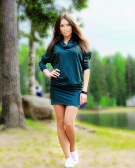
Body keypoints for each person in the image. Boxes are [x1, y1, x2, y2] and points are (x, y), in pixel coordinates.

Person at [39, 13, 91, 168]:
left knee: (69, 123)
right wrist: (48, 73)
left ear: (72, 26)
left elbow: (86, 69)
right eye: (62, 25)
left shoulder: (80, 45)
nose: (65, 28)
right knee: (60, 123)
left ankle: (73, 149)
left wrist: (84, 91)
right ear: (58, 28)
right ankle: (68, 157)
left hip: (75, 88)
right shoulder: (54, 46)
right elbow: (42, 63)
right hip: (58, 88)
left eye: (68, 25)